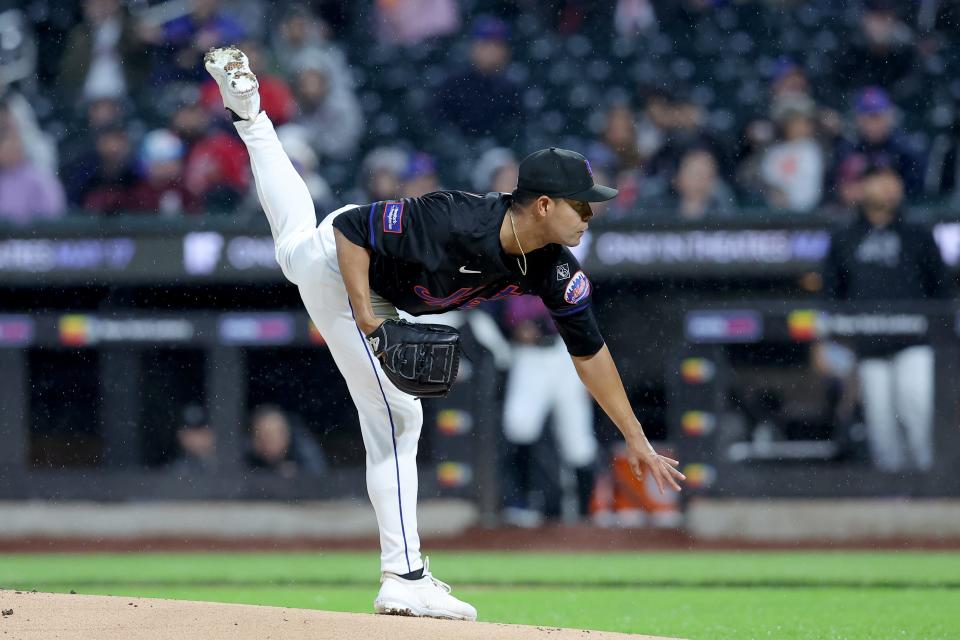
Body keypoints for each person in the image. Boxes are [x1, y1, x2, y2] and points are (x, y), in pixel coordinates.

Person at [203, 45, 684, 622]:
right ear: (545, 204)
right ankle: (403, 577)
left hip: (338, 259)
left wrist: (635, 437)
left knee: (291, 247)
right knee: (398, 416)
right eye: (583, 207)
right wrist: (369, 318)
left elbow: (590, 352)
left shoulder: (556, 268)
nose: (591, 215)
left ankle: (251, 115)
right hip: (346, 267)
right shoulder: (457, 218)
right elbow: (356, 229)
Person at [821, 166, 947, 472]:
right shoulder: (845, 237)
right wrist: (829, 343)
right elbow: (831, 295)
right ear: (863, 188)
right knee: (880, 421)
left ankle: (929, 480)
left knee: (916, 406)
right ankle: (894, 492)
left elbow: (941, 289)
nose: (888, 188)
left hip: (915, 341)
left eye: (893, 181)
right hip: (867, 346)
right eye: (879, 182)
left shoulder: (917, 233)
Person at [500, 295, 598, 527]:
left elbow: (585, 320)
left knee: (578, 440)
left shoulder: (564, 268)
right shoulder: (515, 265)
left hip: (566, 353)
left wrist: (592, 371)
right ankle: (523, 503)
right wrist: (516, 326)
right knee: (518, 426)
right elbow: (504, 313)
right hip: (529, 355)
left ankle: (585, 511)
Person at [245, 404, 326, 478]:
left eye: (272, 436)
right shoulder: (247, 455)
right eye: (261, 437)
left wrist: (298, 474)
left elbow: (319, 476)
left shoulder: (304, 452)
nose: (266, 443)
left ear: (286, 435)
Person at [169, 403, 217, 474]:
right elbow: (187, 447)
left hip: (204, 462)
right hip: (189, 462)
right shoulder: (185, 432)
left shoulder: (206, 432)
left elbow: (208, 448)